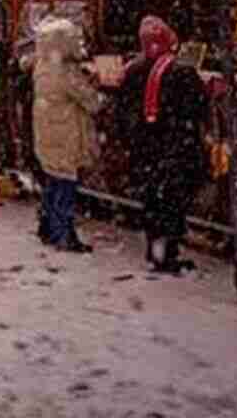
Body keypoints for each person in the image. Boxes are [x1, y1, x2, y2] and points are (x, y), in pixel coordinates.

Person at [115, 15, 210, 275]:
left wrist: (131, 137)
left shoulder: (133, 69)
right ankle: (167, 252)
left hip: (145, 147)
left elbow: (122, 109)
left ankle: (155, 247)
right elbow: (198, 106)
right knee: (172, 200)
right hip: (174, 146)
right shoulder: (181, 71)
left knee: (153, 199)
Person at [30, 16, 103, 252]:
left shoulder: (42, 66)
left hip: (48, 134)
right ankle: (64, 235)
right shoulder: (66, 72)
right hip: (66, 135)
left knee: (53, 181)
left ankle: (48, 228)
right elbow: (91, 101)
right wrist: (98, 91)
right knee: (65, 186)